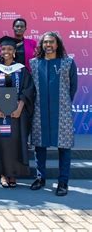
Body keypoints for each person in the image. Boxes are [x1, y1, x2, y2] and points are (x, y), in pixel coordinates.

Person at [29, 32, 78, 196]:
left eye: (51, 42)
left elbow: (73, 88)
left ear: (57, 45)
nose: (48, 45)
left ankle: (63, 182)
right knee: (39, 146)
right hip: (40, 110)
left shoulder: (68, 63)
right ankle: (40, 178)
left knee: (64, 147)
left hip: (61, 112)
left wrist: (62, 102)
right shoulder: (34, 63)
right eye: (45, 42)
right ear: (42, 45)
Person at [0, 36, 35, 188]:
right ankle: (2, 173)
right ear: (0, 51)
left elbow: (28, 89)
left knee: (15, 141)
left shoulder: (21, 69)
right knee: (1, 142)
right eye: (4, 49)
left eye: (9, 49)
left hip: (16, 115)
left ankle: (13, 174)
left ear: (14, 51)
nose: (6, 51)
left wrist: (20, 107)